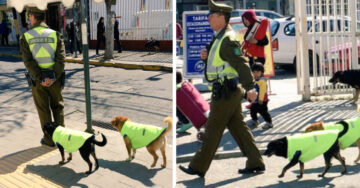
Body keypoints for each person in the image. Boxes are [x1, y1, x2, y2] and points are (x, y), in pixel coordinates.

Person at [179, 0, 265, 177]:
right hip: (227, 90)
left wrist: (250, 87)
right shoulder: (220, 37)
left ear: (222, 17)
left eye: (212, 15)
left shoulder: (227, 40)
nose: (208, 17)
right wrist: (206, 57)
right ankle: (255, 161)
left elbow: (241, 64)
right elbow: (221, 63)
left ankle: (198, 166)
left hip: (226, 91)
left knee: (212, 128)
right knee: (239, 128)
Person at [19, 7, 65, 147]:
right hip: (55, 80)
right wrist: (52, 77)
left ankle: (49, 140)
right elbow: (61, 60)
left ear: (32, 16)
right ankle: (61, 139)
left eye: (29, 16)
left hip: (38, 82)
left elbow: (28, 61)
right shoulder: (55, 35)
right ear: (43, 17)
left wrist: (41, 77)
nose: (29, 18)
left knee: (43, 109)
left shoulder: (26, 37)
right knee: (58, 107)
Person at [249, 63, 273, 129]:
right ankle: (255, 120)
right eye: (254, 72)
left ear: (262, 72)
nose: (255, 73)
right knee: (253, 110)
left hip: (262, 100)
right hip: (255, 100)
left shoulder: (262, 81)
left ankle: (269, 123)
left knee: (263, 112)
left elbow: (262, 91)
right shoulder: (255, 80)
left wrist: (260, 99)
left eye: (258, 72)